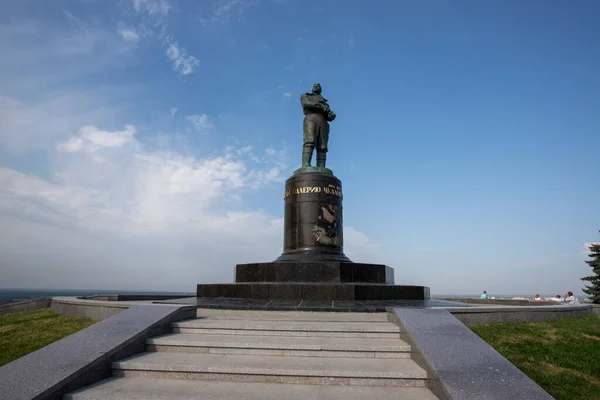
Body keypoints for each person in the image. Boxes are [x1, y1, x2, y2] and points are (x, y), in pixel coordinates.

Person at [300, 83, 336, 168]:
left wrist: (331, 115)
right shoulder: (306, 95)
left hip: (323, 122)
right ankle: (306, 165)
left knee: (322, 146)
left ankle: (321, 167)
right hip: (311, 118)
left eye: (318, 86)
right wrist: (320, 106)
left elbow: (329, 117)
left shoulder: (325, 103)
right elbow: (306, 103)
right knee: (310, 141)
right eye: (314, 86)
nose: (316, 86)